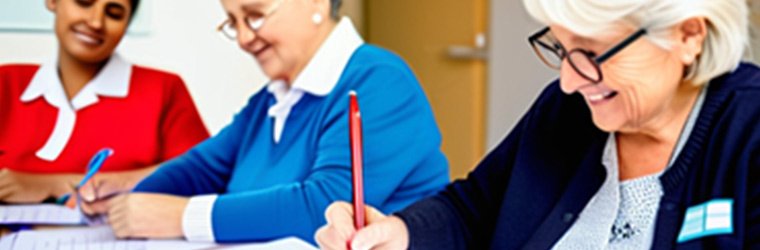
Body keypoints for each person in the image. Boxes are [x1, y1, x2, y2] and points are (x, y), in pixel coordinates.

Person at [316, 0, 760, 249]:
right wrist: (401, 234)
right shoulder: (566, 115)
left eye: (590, 52)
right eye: (561, 49)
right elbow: (472, 209)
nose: (568, 82)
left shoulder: (749, 132)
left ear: (688, 36)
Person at [86, 0, 450, 244]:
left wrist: (182, 216)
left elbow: (322, 208)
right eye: (233, 22)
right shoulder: (272, 100)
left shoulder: (380, 81)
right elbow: (199, 169)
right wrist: (131, 198)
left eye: (255, 14)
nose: (244, 38)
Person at [0, 0, 209, 204]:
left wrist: (52, 185)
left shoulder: (164, 89)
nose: (96, 22)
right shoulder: (6, 83)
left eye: (114, 13)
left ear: (127, 23)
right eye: (84, 3)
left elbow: (203, 174)